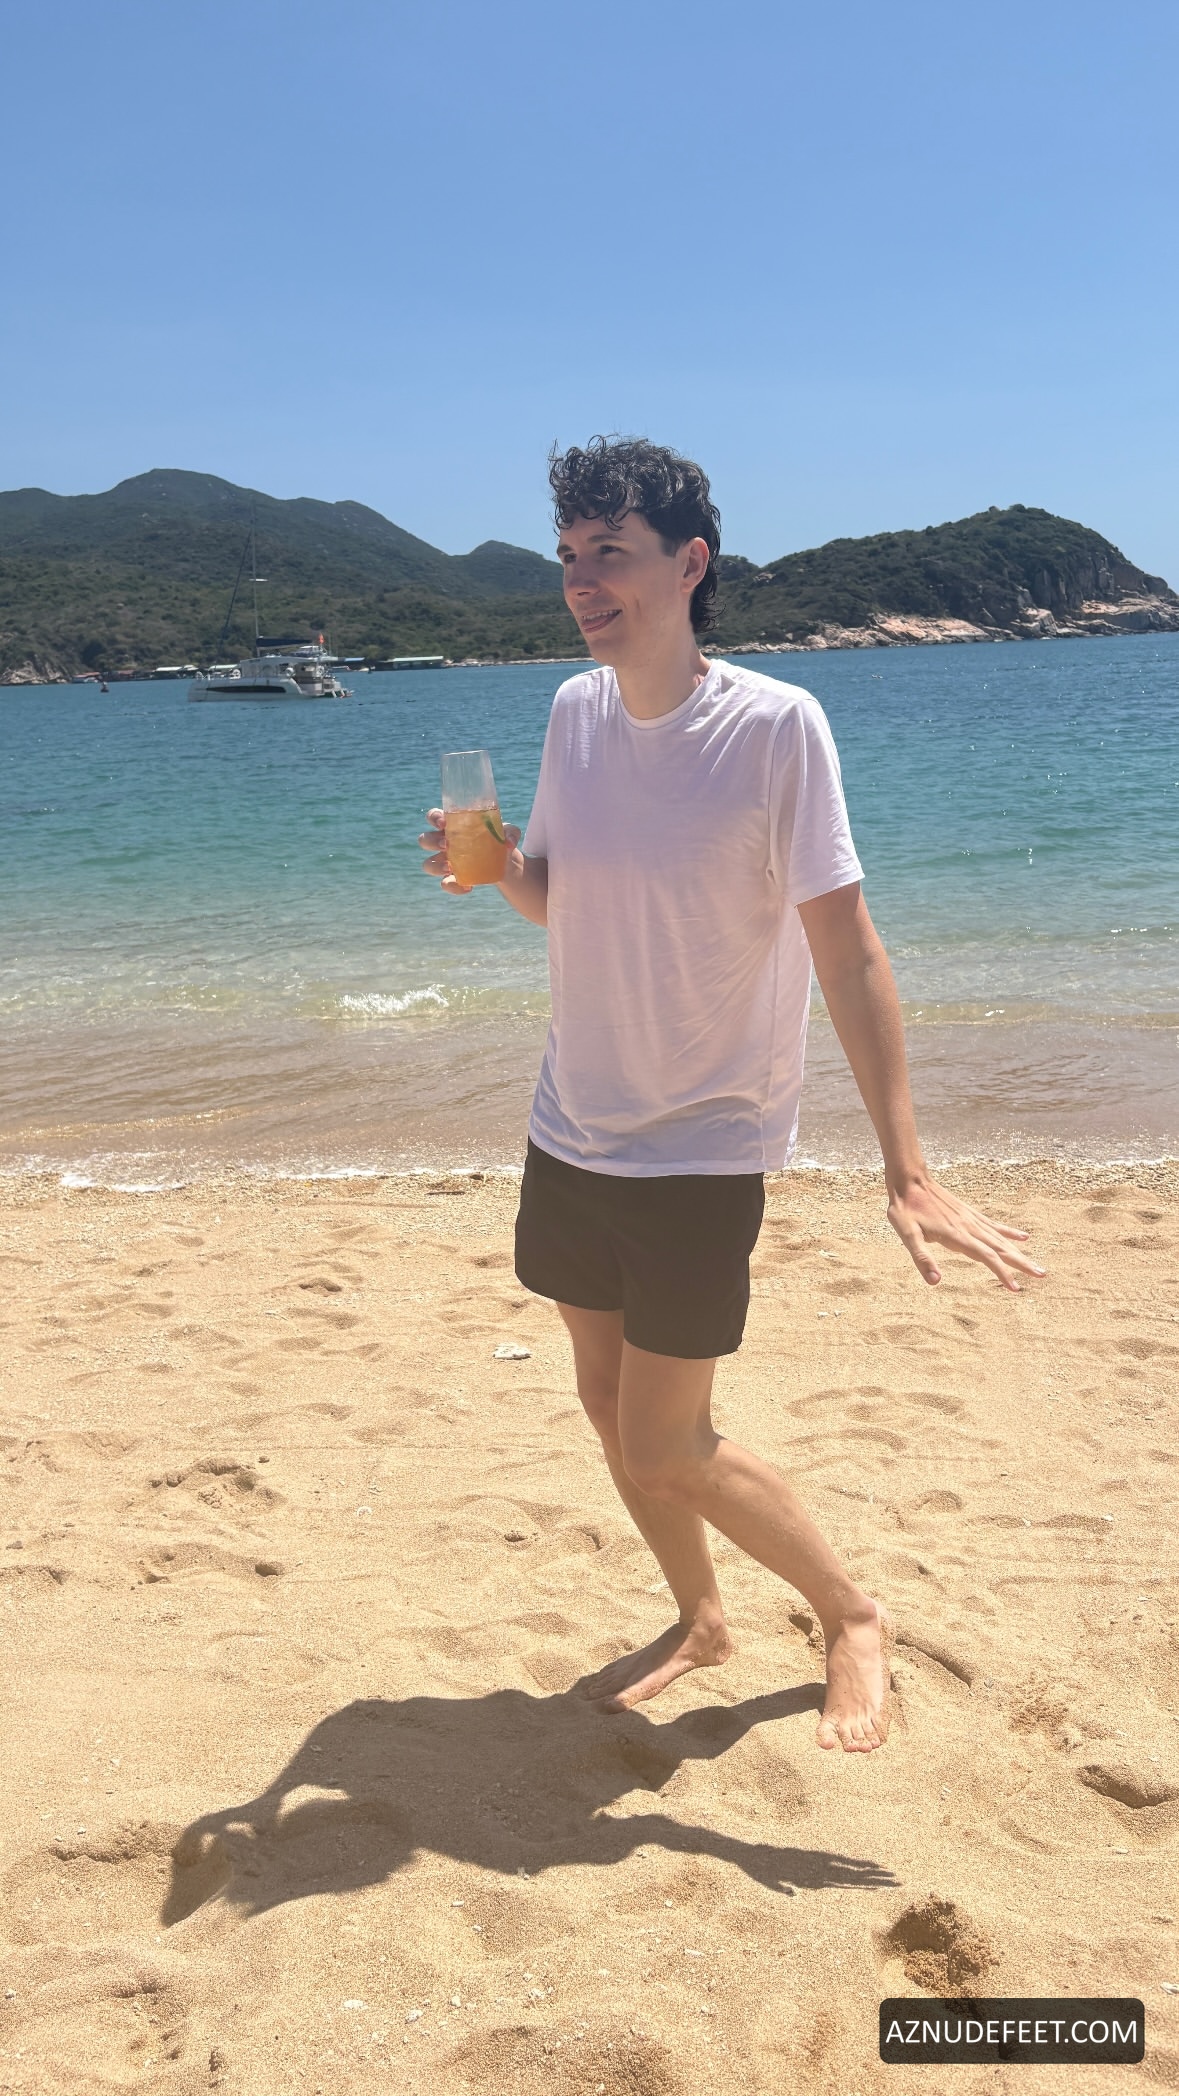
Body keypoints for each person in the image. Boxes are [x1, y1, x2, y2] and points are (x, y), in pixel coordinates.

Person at [420, 437, 1043, 1754]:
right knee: (607, 1404)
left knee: (666, 1440)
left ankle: (851, 1612)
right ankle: (701, 1618)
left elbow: (848, 949)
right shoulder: (575, 713)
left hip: (700, 1143)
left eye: (611, 553)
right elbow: (558, 897)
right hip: (571, 1123)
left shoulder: (773, 729)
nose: (583, 583)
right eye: (569, 556)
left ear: (689, 563)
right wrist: (493, 867)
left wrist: (907, 1166)